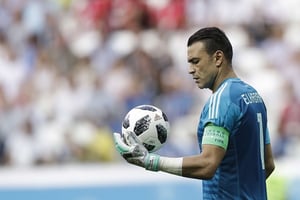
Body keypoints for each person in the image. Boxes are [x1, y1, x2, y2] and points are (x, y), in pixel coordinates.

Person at [114, 27, 275, 199]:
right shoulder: (253, 97)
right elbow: (268, 164)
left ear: (218, 58)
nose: (190, 69)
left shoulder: (222, 100)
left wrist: (149, 161)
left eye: (196, 61)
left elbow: (207, 164)